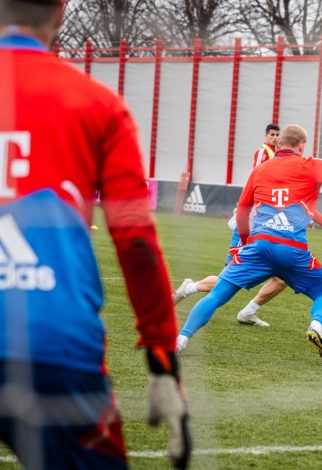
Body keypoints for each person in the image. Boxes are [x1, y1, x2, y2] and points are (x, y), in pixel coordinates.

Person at [0, 1, 191, 468]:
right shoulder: (97, 103)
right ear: (61, 12)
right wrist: (162, 358)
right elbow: (136, 242)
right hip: (53, 344)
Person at [176, 125, 322, 360]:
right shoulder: (311, 165)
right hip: (293, 250)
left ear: (278, 144)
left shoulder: (259, 171)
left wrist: (248, 242)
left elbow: (241, 213)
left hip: (259, 246)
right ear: (302, 146)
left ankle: (181, 340)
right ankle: (316, 326)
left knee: (216, 296)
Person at [173, 211, 322, 327]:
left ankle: (248, 312)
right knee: (226, 282)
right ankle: (188, 289)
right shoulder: (275, 167)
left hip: (266, 232)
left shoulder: (281, 170)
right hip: (251, 230)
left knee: (282, 279)